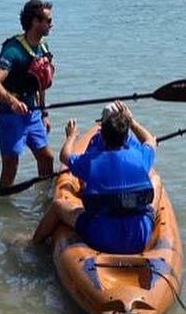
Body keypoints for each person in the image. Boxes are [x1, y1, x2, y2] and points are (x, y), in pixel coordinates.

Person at [32, 102, 156, 253]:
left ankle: (32, 244)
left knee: (58, 206)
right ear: (126, 135)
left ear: (102, 135)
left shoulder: (92, 161)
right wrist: (133, 122)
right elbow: (149, 140)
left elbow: (65, 156)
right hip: (139, 235)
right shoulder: (141, 156)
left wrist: (71, 136)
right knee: (154, 183)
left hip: (102, 237)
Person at [0, 0, 56, 190]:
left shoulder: (43, 48)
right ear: (35, 22)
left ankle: (45, 198)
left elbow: (41, 82)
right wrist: (12, 102)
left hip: (33, 111)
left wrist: (44, 113)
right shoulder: (13, 49)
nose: (52, 25)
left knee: (46, 157)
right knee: (11, 164)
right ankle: (3, 203)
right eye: (48, 21)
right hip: (10, 114)